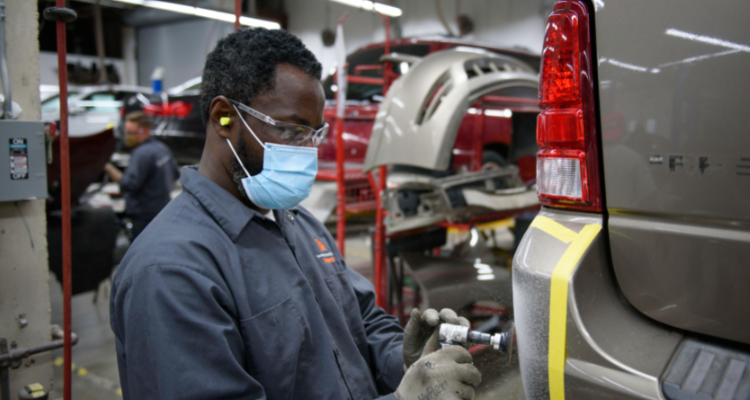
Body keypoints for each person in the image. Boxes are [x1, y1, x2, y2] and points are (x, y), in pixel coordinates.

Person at [110, 28, 481, 400]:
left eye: (313, 135)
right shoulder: (171, 273)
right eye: (290, 131)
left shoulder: (297, 223)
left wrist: (402, 359)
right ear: (224, 118)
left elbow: (359, 320)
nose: (307, 152)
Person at [103, 111, 180, 239]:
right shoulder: (162, 148)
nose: (127, 136)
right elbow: (175, 175)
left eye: (131, 133)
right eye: (126, 132)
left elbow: (129, 184)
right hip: (163, 209)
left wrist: (107, 167)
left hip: (144, 216)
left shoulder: (141, 154)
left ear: (144, 131)